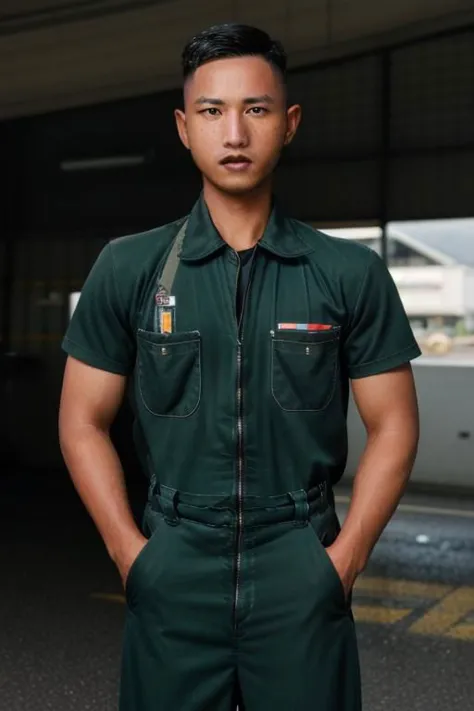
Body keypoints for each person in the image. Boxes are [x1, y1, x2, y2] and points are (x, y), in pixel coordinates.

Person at [59, 23, 420, 711]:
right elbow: (81, 420)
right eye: (212, 111)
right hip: (173, 557)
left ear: (288, 125)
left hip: (299, 558)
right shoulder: (130, 267)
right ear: (183, 126)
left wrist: (341, 562)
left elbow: (396, 425)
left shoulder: (348, 273)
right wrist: (130, 554)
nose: (234, 133)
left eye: (255, 110)